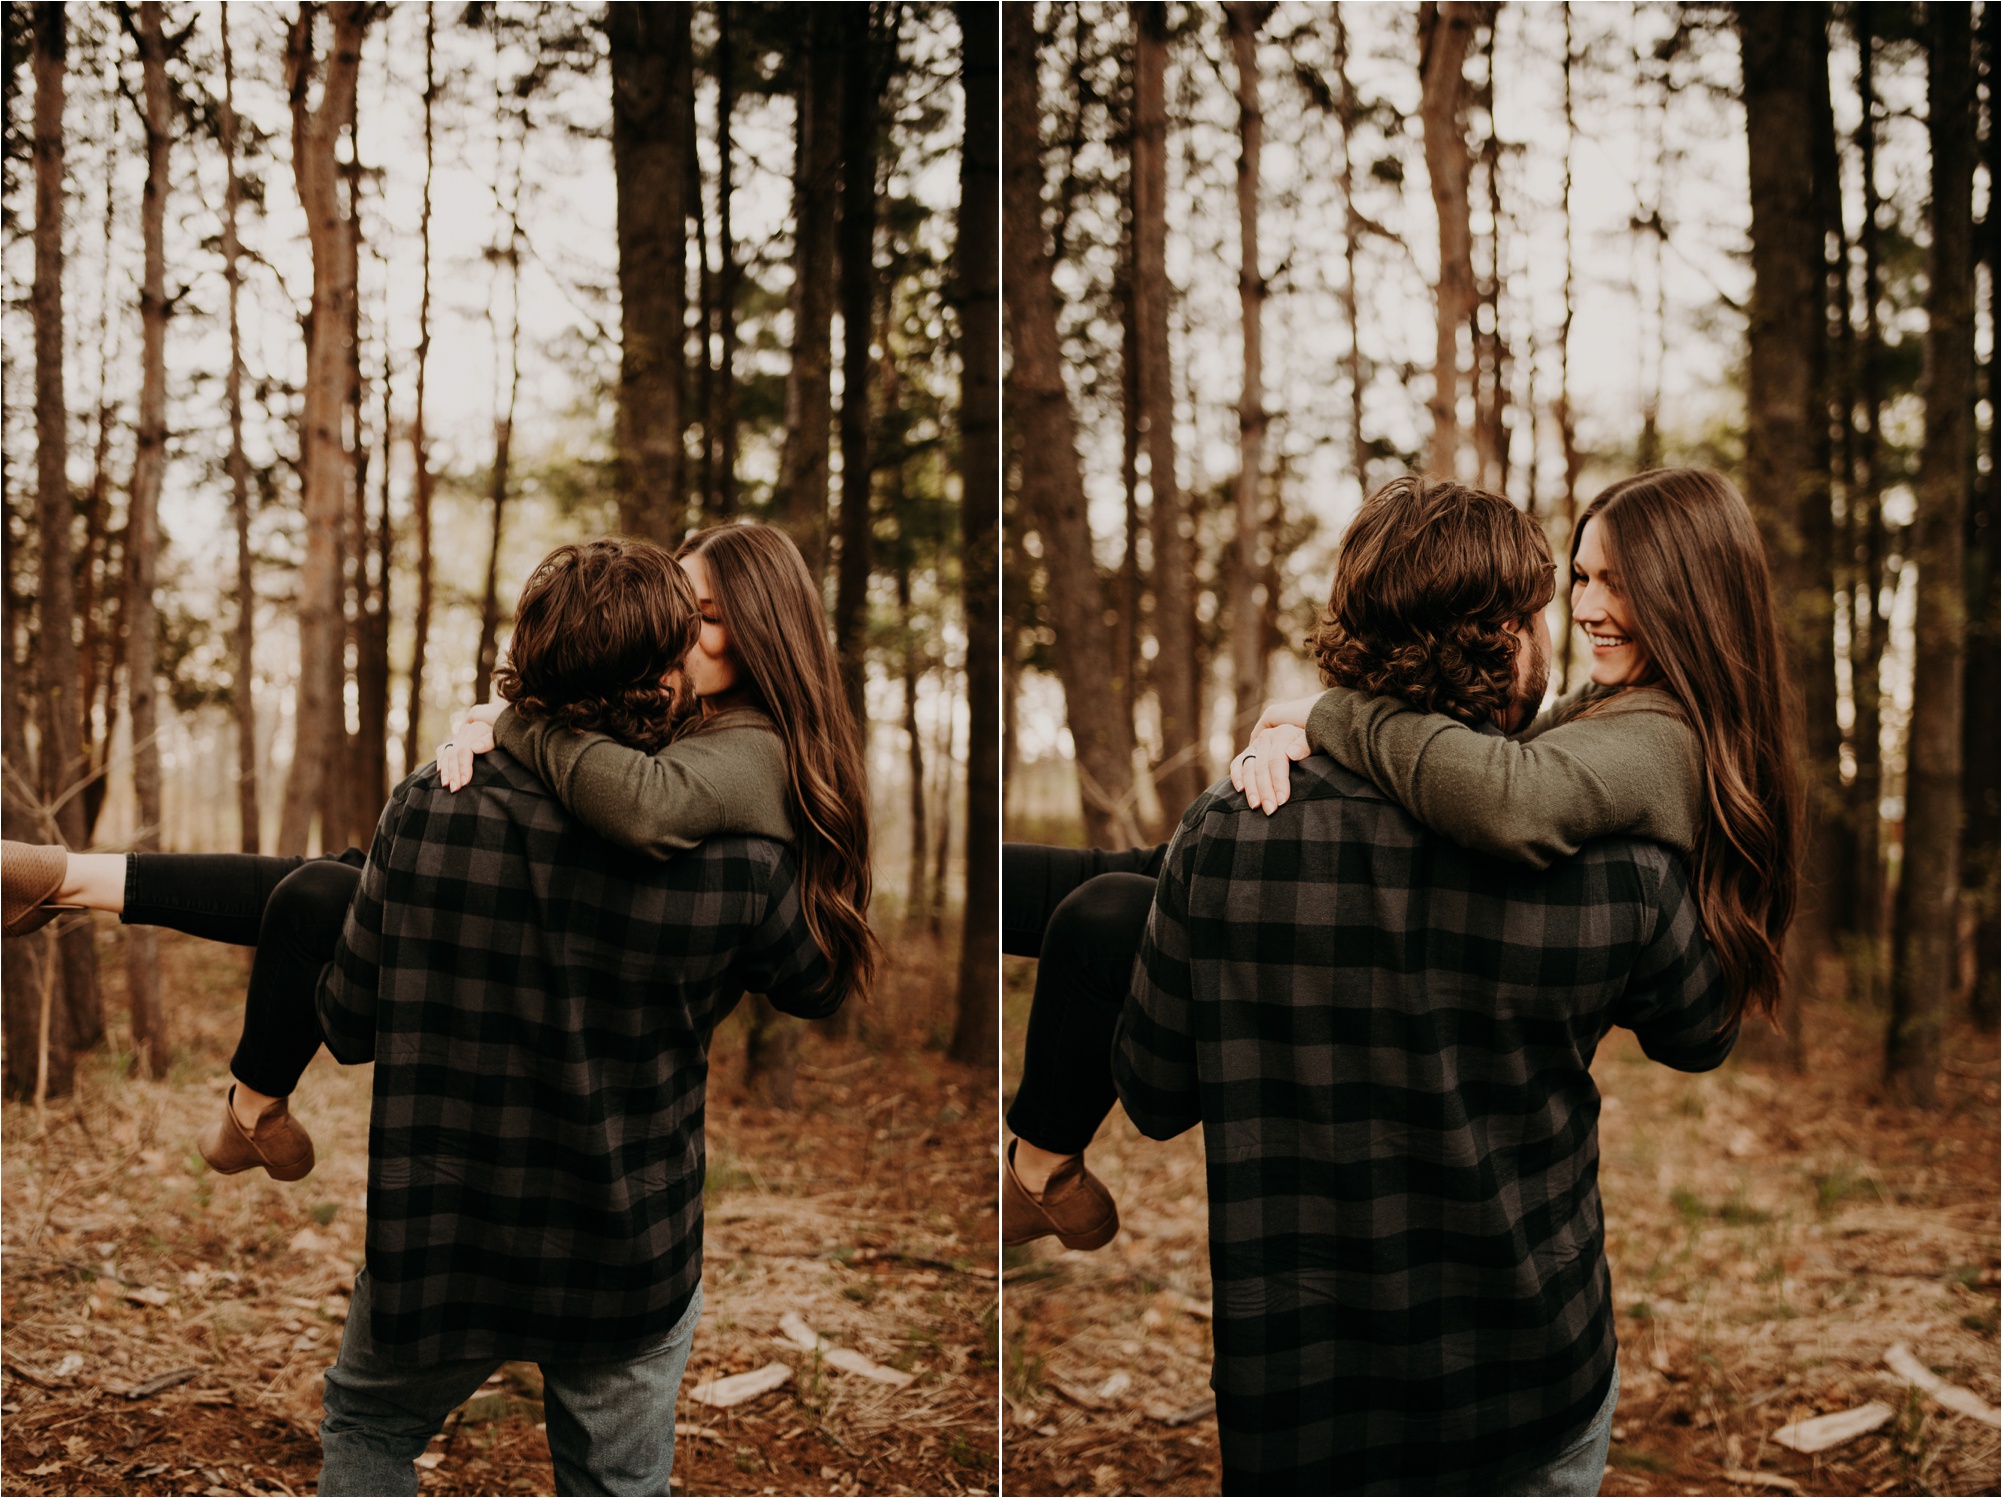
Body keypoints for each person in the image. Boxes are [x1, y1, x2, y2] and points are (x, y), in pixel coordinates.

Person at [1002, 468, 1800, 1257]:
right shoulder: (1609, 711)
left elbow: (1511, 792)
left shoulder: (1662, 737)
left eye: (1616, 584)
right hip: (1523, 1297)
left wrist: (1332, 713)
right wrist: (1320, 739)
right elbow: (1502, 749)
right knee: (1153, 871)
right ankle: (987, 896)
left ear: (1687, 596)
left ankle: (1031, 1145)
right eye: (1581, 579)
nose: (1586, 607)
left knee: (1155, 880)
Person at [1, 522, 878, 1184]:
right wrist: (515, 722)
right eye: (680, 614)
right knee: (335, 879)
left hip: (564, 988)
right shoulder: (705, 724)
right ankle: (75, 878)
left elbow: (645, 807)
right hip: (557, 970)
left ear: (767, 633)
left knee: (323, 896)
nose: (680, 636)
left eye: (709, 619)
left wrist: (518, 717)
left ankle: (233, 1078)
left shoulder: (752, 748)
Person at [303, 534, 841, 1495]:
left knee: (373, 1425)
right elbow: (809, 979)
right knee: (617, 1486)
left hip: (443, 1238)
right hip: (626, 1246)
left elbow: (347, 1025)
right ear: (660, 659)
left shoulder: (436, 800)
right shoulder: (743, 857)